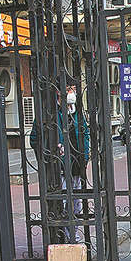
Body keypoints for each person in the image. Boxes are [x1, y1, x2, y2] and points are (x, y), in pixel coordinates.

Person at [31, 83, 90, 244]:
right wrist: (50, 152)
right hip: (59, 168)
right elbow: (35, 139)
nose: (73, 93)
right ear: (59, 91)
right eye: (70, 89)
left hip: (77, 167)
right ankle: (60, 240)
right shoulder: (48, 113)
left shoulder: (77, 113)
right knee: (61, 205)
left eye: (74, 90)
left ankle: (73, 238)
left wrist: (85, 155)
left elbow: (85, 134)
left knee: (76, 206)